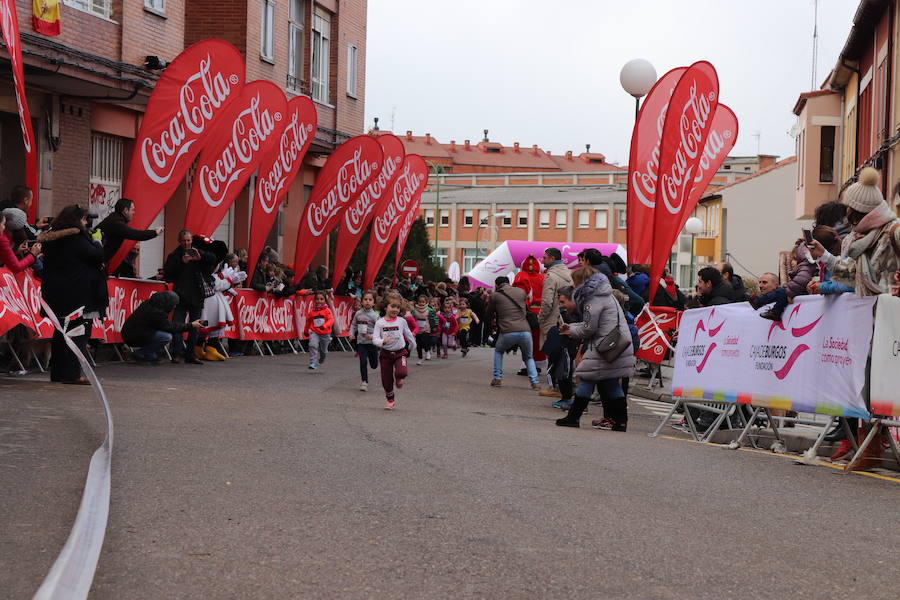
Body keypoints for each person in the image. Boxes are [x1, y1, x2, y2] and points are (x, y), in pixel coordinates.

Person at [556, 269, 635, 429]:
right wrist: (572, 326)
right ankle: (621, 421)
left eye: (575, 282)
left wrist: (570, 330)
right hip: (617, 344)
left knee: (587, 378)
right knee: (612, 383)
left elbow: (589, 329)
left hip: (604, 346)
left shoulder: (593, 300)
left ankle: (573, 417)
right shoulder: (606, 295)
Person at [38, 205, 107, 384]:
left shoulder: (52, 238)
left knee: (60, 333)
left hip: (55, 293)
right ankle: (72, 374)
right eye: (84, 220)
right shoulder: (75, 238)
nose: (85, 224)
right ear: (77, 220)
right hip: (77, 294)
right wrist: (98, 240)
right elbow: (97, 255)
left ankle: (59, 373)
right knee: (78, 332)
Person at [809, 167, 900, 297]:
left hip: (892, 312)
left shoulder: (893, 232)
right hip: (874, 314)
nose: (847, 211)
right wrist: (823, 254)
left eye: (849, 207)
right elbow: (851, 278)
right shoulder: (859, 239)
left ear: (856, 210)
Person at [163, 230, 217, 364]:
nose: (186, 243)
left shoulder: (198, 252)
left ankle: (191, 354)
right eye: (184, 241)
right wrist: (182, 262)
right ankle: (176, 353)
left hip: (197, 295)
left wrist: (202, 257)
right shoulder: (175, 255)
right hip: (180, 295)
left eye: (188, 240)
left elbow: (213, 261)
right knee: (178, 325)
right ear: (180, 241)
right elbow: (168, 273)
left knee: (195, 327)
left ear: (192, 240)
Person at [485, 276, 540, 390]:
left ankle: (497, 378)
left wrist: (490, 328)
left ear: (497, 285)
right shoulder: (521, 292)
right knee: (528, 357)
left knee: (499, 351)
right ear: (508, 283)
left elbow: (489, 314)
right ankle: (535, 382)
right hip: (525, 330)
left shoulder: (495, 296)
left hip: (507, 331)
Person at [122, 291, 203, 363]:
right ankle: (140, 353)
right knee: (166, 337)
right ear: (169, 303)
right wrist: (191, 325)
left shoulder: (150, 303)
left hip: (131, 332)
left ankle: (147, 353)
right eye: (174, 305)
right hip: (134, 335)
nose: (174, 307)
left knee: (154, 354)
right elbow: (170, 327)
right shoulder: (157, 312)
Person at [749, 243, 816, 321]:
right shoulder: (802, 269)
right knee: (782, 292)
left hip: (804, 294)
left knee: (782, 292)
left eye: (794, 259)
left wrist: (789, 292)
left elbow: (800, 282)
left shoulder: (804, 268)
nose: (791, 262)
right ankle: (771, 310)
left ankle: (760, 302)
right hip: (798, 292)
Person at [372, 293, 417, 409]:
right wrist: (382, 342)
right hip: (385, 354)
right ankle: (390, 399)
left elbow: (408, 333)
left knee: (402, 372)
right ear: (385, 307)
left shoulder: (401, 321)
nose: (395, 309)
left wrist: (412, 345)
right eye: (393, 306)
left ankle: (399, 378)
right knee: (386, 380)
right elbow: (375, 339)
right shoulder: (380, 323)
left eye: (398, 307)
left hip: (400, 352)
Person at [537, 247, 573, 392]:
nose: (542, 260)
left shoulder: (551, 276)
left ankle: (554, 388)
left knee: (552, 354)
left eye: (544, 257)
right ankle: (563, 387)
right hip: (567, 319)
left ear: (552, 259)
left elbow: (547, 302)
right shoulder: (569, 274)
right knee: (564, 355)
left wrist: (541, 318)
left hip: (552, 320)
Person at [96, 197, 163, 270]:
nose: (134, 213)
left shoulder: (114, 219)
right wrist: (155, 232)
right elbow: (136, 235)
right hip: (94, 262)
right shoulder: (116, 223)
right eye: (132, 210)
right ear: (125, 210)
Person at [350, 290, 379, 391]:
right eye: (365, 299)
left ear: (373, 303)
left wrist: (373, 336)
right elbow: (353, 325)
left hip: (372, 343)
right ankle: (364, 382)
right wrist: (351, 333)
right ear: (361, 302)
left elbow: (380, 329)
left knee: (374, 365)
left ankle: (375, 359)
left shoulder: (375, 316)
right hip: (361, 342)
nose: (367, 301)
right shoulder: (358, 313)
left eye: (370, 300)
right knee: (362, 361)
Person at [305, 290, 334, 370]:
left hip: (325, 333)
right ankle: (312, 363)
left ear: (325, 301)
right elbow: (308, 321)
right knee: (312, 345)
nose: (319, 301)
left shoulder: (327, 311)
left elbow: (331, 320)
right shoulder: (312, 312)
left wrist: (324, 326)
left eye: (321, 299)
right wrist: (306, 330)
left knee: (323, 350)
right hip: (315, 332)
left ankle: (322, 357)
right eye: (317, 299)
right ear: (314, 300)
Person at [411, 294, 434, 364]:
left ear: (426, 302)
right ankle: (420, 358)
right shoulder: (414, 310)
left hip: (426, 329)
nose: (421, 303)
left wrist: (434, 327)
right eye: (420, 302)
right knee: (419, 345)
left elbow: (433, 319)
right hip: (418, 330)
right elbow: (412, 319)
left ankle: (427, 351)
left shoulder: (430, 310)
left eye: (423, 302)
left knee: (425, 342)